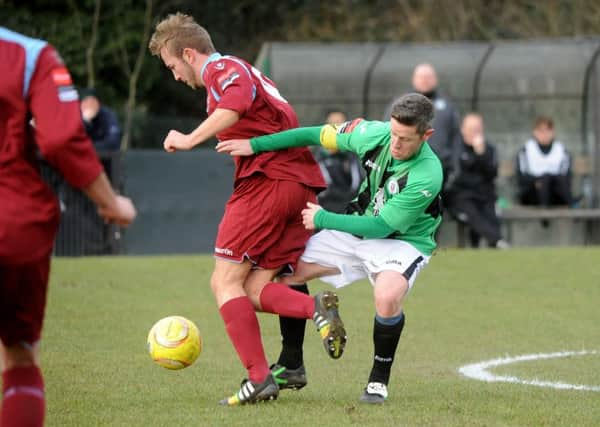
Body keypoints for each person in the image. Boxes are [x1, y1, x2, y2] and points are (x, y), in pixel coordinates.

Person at [148, 13, 346, 406]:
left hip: (269, 182)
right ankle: (315, 308)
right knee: (255, 288)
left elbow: (234, 107)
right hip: (297, 185)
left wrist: (190, 139)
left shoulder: (223, 67)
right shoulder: (240, 71)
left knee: (224, 282)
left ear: (189, 53)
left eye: (172, 66)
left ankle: (258, 378)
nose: (174, 76)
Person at [217, 92, 443, 404]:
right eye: (393, 134)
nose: (395, 145)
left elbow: (382, 227)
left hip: (403, 241)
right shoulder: (371, 134)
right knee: (288, 272)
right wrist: (255, 145)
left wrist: (324, 218)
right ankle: (291, 363)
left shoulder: (428, 174)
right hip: (357, 227)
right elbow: (313, 134)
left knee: (387, 296)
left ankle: (378, 381)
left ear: (426, 135)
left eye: (405, 139)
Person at [0, 27, 136, 427]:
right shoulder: (28, 56)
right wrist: (111, 203)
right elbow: (60, 139)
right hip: (11, 222)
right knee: (20, 356)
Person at [383, 63, 461, 192]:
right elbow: (386, 131)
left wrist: (455, 166)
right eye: (421, 77)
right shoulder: (400, 104)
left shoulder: (447, 106)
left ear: (435, 79)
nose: (425, 80)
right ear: (414, 79)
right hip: (406, 168)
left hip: (440, 169)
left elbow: (456, 138)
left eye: (428, 77)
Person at [446, 113, 508, 248]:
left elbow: (492, 173)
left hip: (485, 195)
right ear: (463, 129)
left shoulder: (489, 149)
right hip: (461, 196)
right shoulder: (455, 148)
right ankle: (497, 240)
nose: (474, 132)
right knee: (473, 214)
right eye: (471, 128)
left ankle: (495, 245)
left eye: (477, 129)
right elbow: (458, 174)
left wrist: (481, 154)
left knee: (491, 216)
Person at [312, 110, 363, 213]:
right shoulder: (315, 158)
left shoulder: (354, 156)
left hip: (351, 215)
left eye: (341, 125)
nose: (337, 129)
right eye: (332, 125)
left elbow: (358, 188)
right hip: (324, 216)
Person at [516, 116, 573, 207]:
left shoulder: (561, 150)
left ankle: (571, 206)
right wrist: (536, 182)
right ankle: (571, 204)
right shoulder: (526, 150)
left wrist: (548, 181)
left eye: (548, 130)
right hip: (532, 194)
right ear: (534, 132)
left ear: (553, 132)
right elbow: (522, 177)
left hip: (556, 193)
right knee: (544, 180)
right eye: (541, 131)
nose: (544, 134)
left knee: (550, 180)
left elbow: (565, 177)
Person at [79, 88, 122, 153]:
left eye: (92, 103)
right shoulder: (76, 116)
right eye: (86, 102)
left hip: (104, 159)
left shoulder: (107, 116)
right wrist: (85, 122)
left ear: (98, 103)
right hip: (82, 158)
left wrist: (88, 147)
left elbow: (114, 142)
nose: (89, 106)